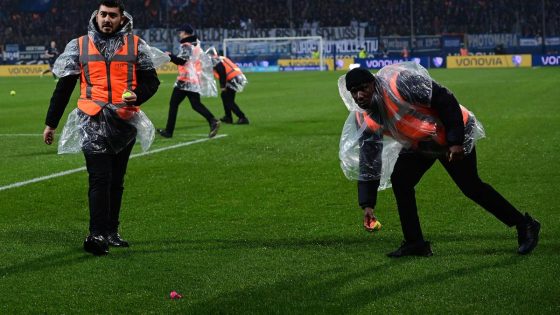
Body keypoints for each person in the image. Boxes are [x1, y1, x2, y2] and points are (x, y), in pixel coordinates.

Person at [339, 64, 540, 258]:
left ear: (373, 83)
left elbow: (446, 100)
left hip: (453, 130)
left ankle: (525, 224)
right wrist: (367, 204)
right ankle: (415, 243)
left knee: (471, 187)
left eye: (363, 88)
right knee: (401, 181)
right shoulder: (365, 117)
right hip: (422, 141)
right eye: (354, 92)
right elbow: (370, 162)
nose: (359, 96)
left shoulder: (400, 83)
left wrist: (455, 142)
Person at [43, 0, 161, 256]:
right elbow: (63, 88)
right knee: (99, 178)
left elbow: (152, 82)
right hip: (92, 119)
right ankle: (96, 233)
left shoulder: (136, 45)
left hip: (124, 120)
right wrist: (51, 123)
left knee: (117, 180)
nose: (107, 20)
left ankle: (112, 232)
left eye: (112, 16)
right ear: (96, 16)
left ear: (122, 18)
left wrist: (137, 95)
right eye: (103, 15)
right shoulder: (79, 45)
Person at [157, 24, 220, 138]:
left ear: (185, 33)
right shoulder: (196, 45)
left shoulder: (186, 45)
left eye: (180, 32)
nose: (179, 34)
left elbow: (182, 61)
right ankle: (212, 121)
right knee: (195, 105)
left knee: (174, 104)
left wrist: (170, 56)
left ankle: (169, 131)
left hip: (185, 79)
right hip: (192, 79)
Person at [211, 51, 249, 124]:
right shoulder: (221, 58)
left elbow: (222, 72)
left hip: (232, 78)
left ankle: (242, 117)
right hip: (237, 77)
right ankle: (228, 117)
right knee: (225, 97)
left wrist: (222, 86)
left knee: (228, 100)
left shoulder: (214, 60)